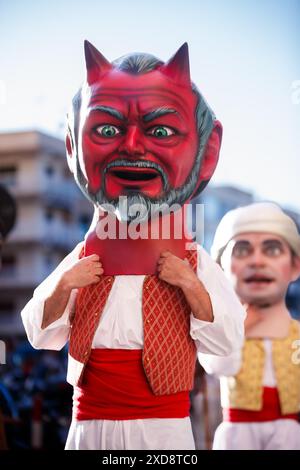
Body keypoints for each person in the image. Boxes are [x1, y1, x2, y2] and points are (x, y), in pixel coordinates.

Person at [21, 40, 245, 450]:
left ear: (206, 151)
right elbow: (39, 332)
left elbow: (227, 345)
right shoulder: (82, 258)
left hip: (163, 431)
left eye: (160, 130)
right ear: (73, 145)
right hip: (89, 427)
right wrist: (65, 283)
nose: (132, 146)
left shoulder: (193, 261)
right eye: (107, 129)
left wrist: (191, 286)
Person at [199, 202, 300, 450]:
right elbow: (219, 364)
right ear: (222, 267)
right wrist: (237, 328)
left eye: (273, 250)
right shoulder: (218, 332)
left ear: (295, 266)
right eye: (242, 251)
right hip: (238, 437)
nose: (257, 261)